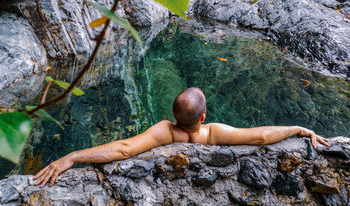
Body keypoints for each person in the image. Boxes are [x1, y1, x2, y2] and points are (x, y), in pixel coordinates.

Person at [34, 87, 329, 187]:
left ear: (174, 115)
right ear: (202, 117)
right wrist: (298, 129)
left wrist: (73, 157)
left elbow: (124, 150)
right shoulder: (214, 133)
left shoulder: (164, 131)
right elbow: (261, 136)